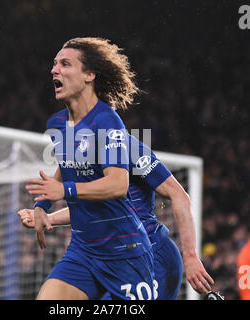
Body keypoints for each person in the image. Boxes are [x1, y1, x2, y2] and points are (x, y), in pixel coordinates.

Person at [23, 37, 155, 300]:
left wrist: (64, 190)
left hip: (125, 252)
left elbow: (118, 184)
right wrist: (42, 207)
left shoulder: (107, 121)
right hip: (83, 252)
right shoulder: (57, 122)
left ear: (89, 75)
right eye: (54, 64)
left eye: (65, 64)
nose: (54, 70)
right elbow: (66, 167)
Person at [20, 134, 215, 299]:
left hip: (149, 256)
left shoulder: (127, 147)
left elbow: (178, 194)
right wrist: (49, 217)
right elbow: (94, 208)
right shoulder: (76, 149)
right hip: (99, 255)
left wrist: (190, 256)